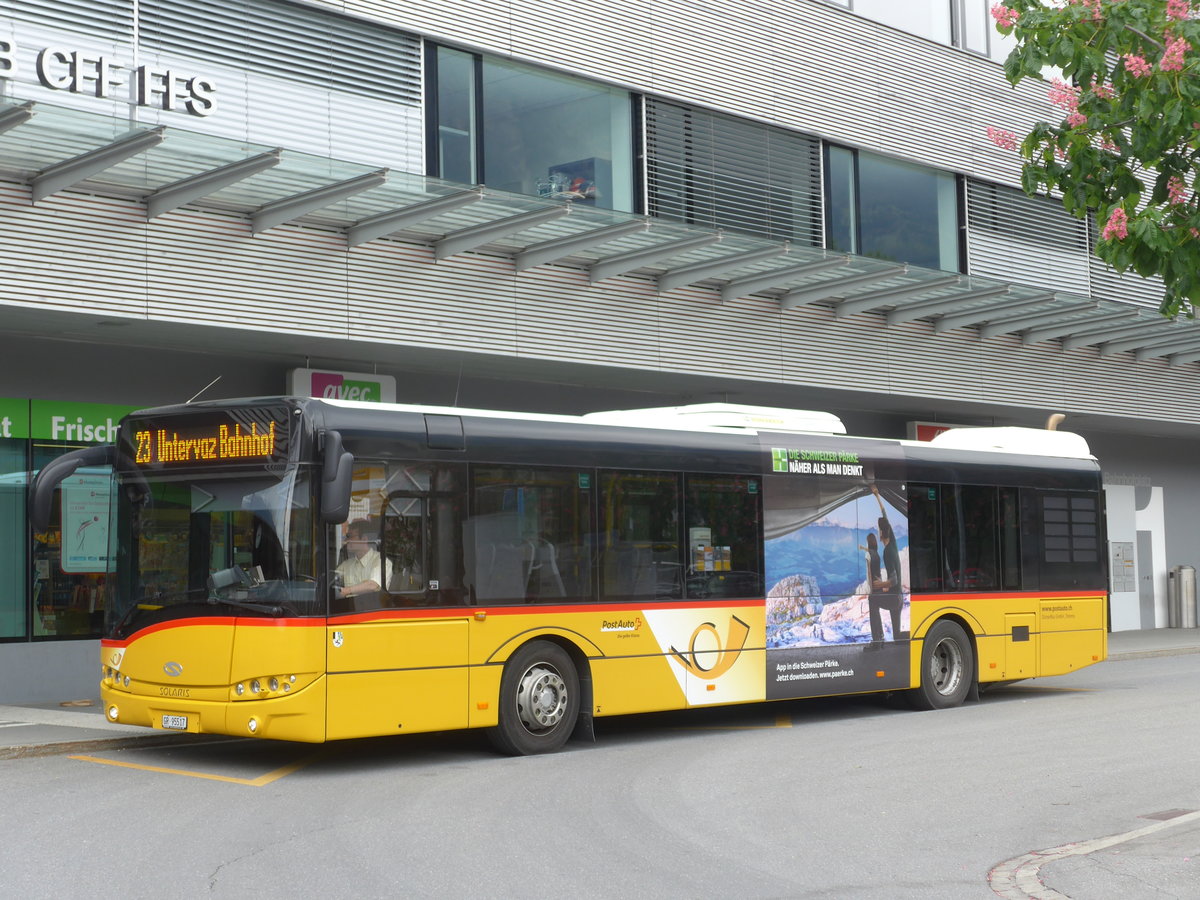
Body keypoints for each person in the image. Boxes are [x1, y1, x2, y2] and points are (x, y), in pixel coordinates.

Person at [868, 484, 903, 646]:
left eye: (878, 529)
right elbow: (885, 516)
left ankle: (878, 639)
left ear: (881, 533)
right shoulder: (894, 543)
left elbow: (894, 580)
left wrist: (881, 584)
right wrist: (877, 495)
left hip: (894, 598)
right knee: (897, 636)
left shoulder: (888, 552)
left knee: (872, 599)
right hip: (898, 597)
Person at [335, 519, 385, 605]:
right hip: (349, 611)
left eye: (349, 536)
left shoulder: (381, 561)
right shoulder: (347, 564)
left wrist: (347, 591)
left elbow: (373, 585)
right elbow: (333, 578)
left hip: (372, 614)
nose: (346, 540)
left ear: (364, 539)